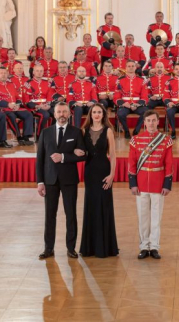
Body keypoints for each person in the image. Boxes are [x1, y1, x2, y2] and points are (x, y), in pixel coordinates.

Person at [36, 102, 87, 259]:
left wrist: (64, 157)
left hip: (69, 180)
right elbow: (40, 160)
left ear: (69, 114)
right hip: (50, 180)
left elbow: (84, 154)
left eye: (65, 111)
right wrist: (40, 182)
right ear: (54, 114)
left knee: (71, 214)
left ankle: (71, 248)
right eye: (59, 112)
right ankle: (48, 248)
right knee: (49, 215)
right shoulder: (45, 132)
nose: (62, 114)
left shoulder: (77, 132)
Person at [128, 111, 174, 259]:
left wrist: (167, 184)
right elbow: (132, 163)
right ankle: (144, 246)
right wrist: (133, 183)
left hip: (158, 182)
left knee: (156, 216)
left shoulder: (166, 140)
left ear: (158, 122)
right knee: (143, 217)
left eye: (154, 120)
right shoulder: (136, 140)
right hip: (141, 183)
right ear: (144, 122)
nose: (152, 123)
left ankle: (154, 246)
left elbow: (169, 163)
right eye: (149, 120)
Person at [79, 104, 119, 259]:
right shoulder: (84, 131)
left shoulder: (108, 130)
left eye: (99, 112)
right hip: (89, 172)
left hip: (104, 171)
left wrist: (112, 175)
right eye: (94, 112)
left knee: (104, 206)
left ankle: (105, 246)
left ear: (103, 115)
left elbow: (113, 155)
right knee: (90, 205)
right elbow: (81, 150)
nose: (96, 115)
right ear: (90, 114)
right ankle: (89, 247)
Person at [0, 66, 36, 146]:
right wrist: (8, 104)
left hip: (15, 107)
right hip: (4, 109)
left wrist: (17, 104)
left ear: (8, 74)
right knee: (12, 116)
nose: (3, 75)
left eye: (5, 73)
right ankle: (19, 137)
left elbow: (18, 97)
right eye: (1, 73)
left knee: (28, 114)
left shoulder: (11, 84)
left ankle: (26, 137)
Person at [116, 60, 149, 139]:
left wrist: (137, 104)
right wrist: (124, 104)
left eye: (132, 66)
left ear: (135, 67)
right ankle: (126, 130)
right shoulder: (120, 80)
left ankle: (136, 131)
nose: (131, 68)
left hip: (137, 104)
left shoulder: (141, 80)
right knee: (120, 114)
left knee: (145, 112)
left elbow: (145, 96)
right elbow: (116, 96)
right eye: (129, 66)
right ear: (126, 68)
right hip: (125, 104)